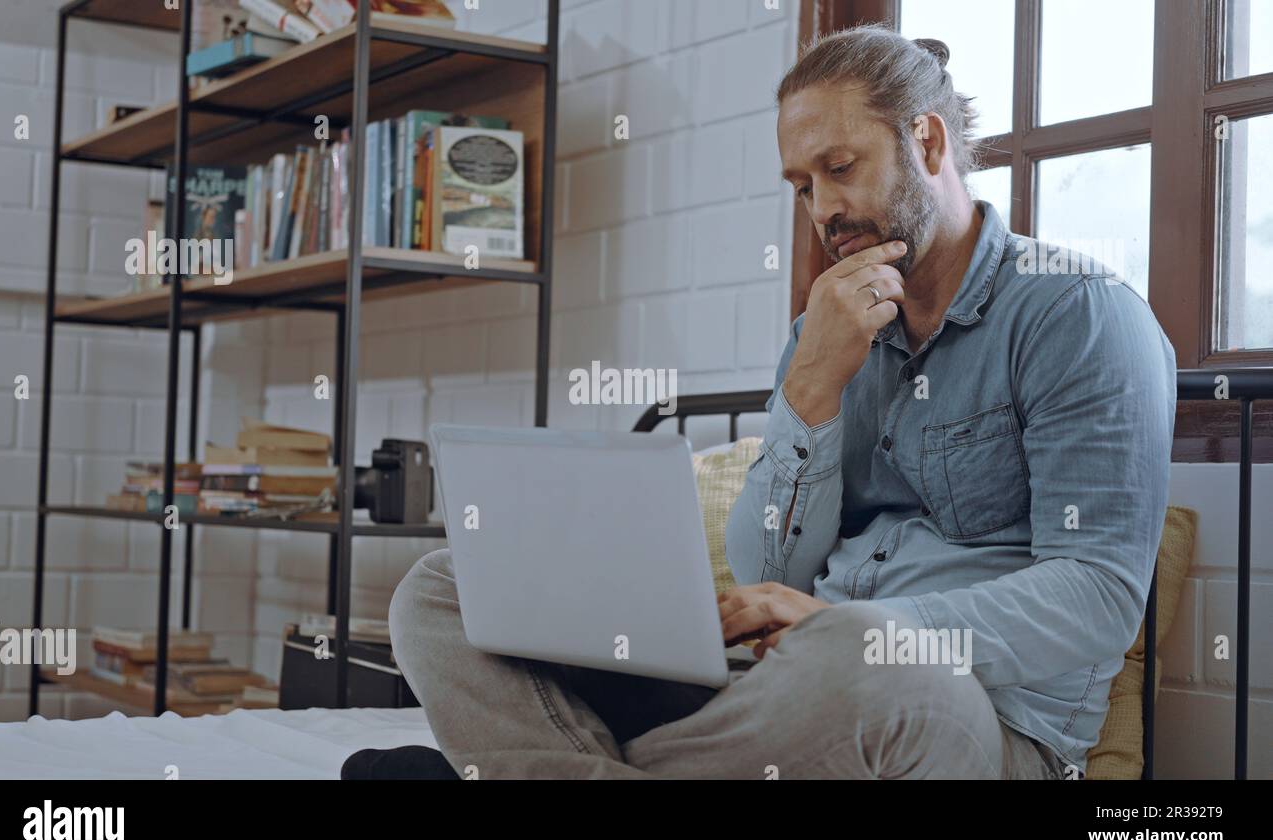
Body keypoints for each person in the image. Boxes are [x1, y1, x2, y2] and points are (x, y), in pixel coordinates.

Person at [371, 24, 1176, 780]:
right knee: (443, 588)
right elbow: (768, 573)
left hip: (972, 719)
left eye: (840, 167)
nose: (822, 209)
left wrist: (862, 634)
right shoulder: (822, 331)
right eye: (801, 186)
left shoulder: (1078, 312)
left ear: (926, 142)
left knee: (865, 664)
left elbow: (1099, 595)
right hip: (776, 703)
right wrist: (810, 388)